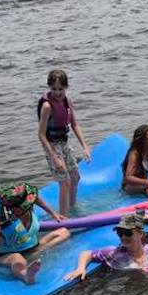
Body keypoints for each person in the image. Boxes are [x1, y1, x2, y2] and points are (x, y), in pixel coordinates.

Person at [0, 182, 70, 285]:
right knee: (17, 258)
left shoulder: (29, 205)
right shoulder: (2, 219)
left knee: (63, 232)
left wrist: (54, 214)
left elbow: (40, 202)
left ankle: (37, 254)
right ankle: (26, 274)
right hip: (6, 255)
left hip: (31, 248)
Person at [38, 69, 91, 216]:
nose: (57, 92)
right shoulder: (47, 106)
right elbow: (41, 135)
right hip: (52, 145)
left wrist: (85, 147)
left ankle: (72, 208)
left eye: (61, 89)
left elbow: (74, 124)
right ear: (49, 87)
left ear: (66, 87)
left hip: (64, 143)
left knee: (75, 177)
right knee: (64, 181)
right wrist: (54, 157)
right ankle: (63, 217)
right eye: (53, 89)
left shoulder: (67, 101)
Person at [65, 213, 148, 281]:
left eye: (127, 233)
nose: (123, 236)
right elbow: (87, 254)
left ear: (140, 234)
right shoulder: (113, 253)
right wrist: (80, 268)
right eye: (120, 233)